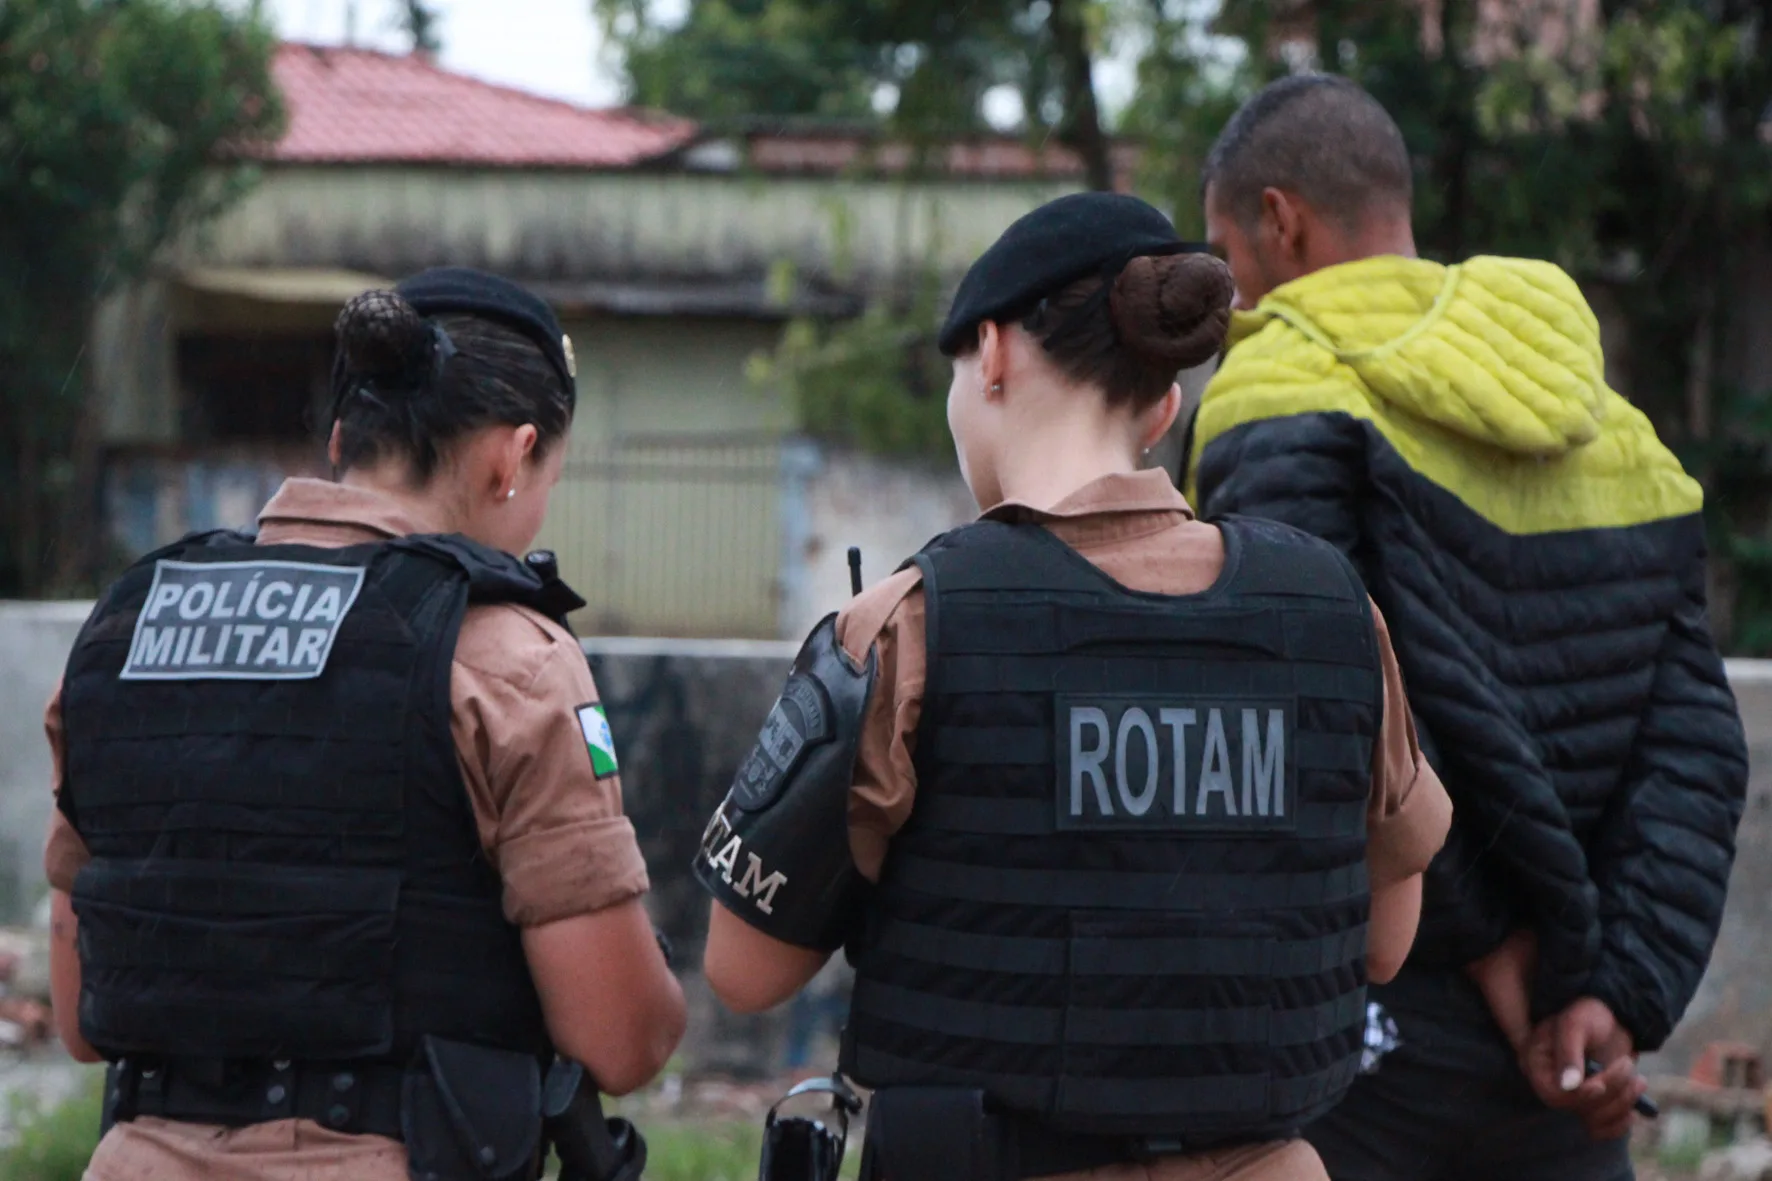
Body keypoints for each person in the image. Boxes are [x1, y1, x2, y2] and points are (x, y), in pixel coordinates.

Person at [693, 191, 1453, 1181]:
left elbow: (742, 970)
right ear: (1164, 403)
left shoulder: (910, 621)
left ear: (995, 353)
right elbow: (1385, 942)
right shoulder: (1333, 614)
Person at [1185, 74, 1750, 1181]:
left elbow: (1327, 709)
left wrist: (1497, 952)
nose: (1226, 298)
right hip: (1566, 1056)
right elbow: (1694, 742)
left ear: (1278, 220)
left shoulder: (1275, 390)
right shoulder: (1611, 421)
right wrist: (1608, 988)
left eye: (1221, 253)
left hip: (1367, 1029)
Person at [43, 268, 686, 1181]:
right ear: (512, 457)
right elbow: (622, 1039)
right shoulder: (508, 657)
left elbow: (78, 1019)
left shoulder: (123, 629)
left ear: (343, 438)